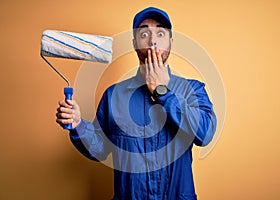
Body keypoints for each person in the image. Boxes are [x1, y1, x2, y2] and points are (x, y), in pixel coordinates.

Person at [56, 7, 217, 200]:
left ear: (171, 42)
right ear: (134, 43)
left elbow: (205, 133)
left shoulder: (193, 90)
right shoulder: (113, 95)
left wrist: (161, 92)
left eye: (160, 33)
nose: (152, 40)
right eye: (144, 33)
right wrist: (78, 125)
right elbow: (99, 149)